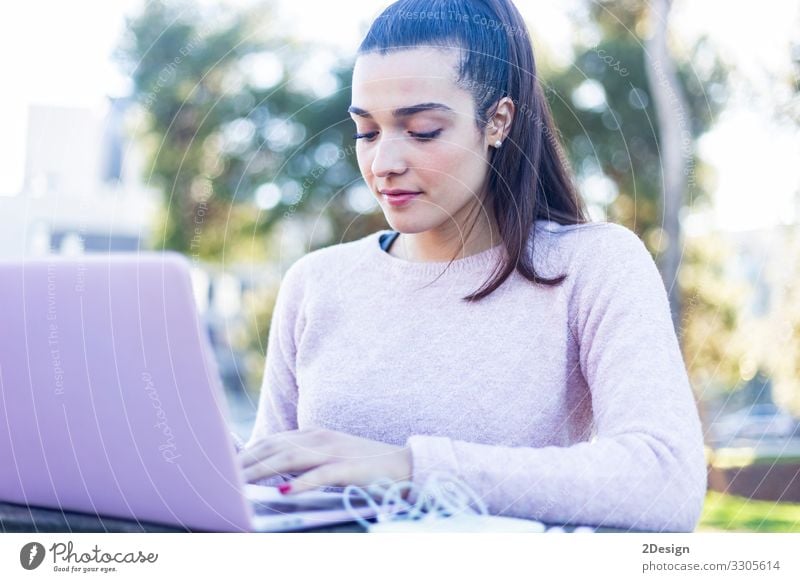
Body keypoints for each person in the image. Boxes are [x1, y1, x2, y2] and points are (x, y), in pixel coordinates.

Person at [237, 0, 707, 532]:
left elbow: (666, 483)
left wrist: (412, 469)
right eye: (366, 132)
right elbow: (269, 490)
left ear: (498, 121)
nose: (384, 163)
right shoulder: (315, 283)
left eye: (422, 130)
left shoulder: (592, 266)